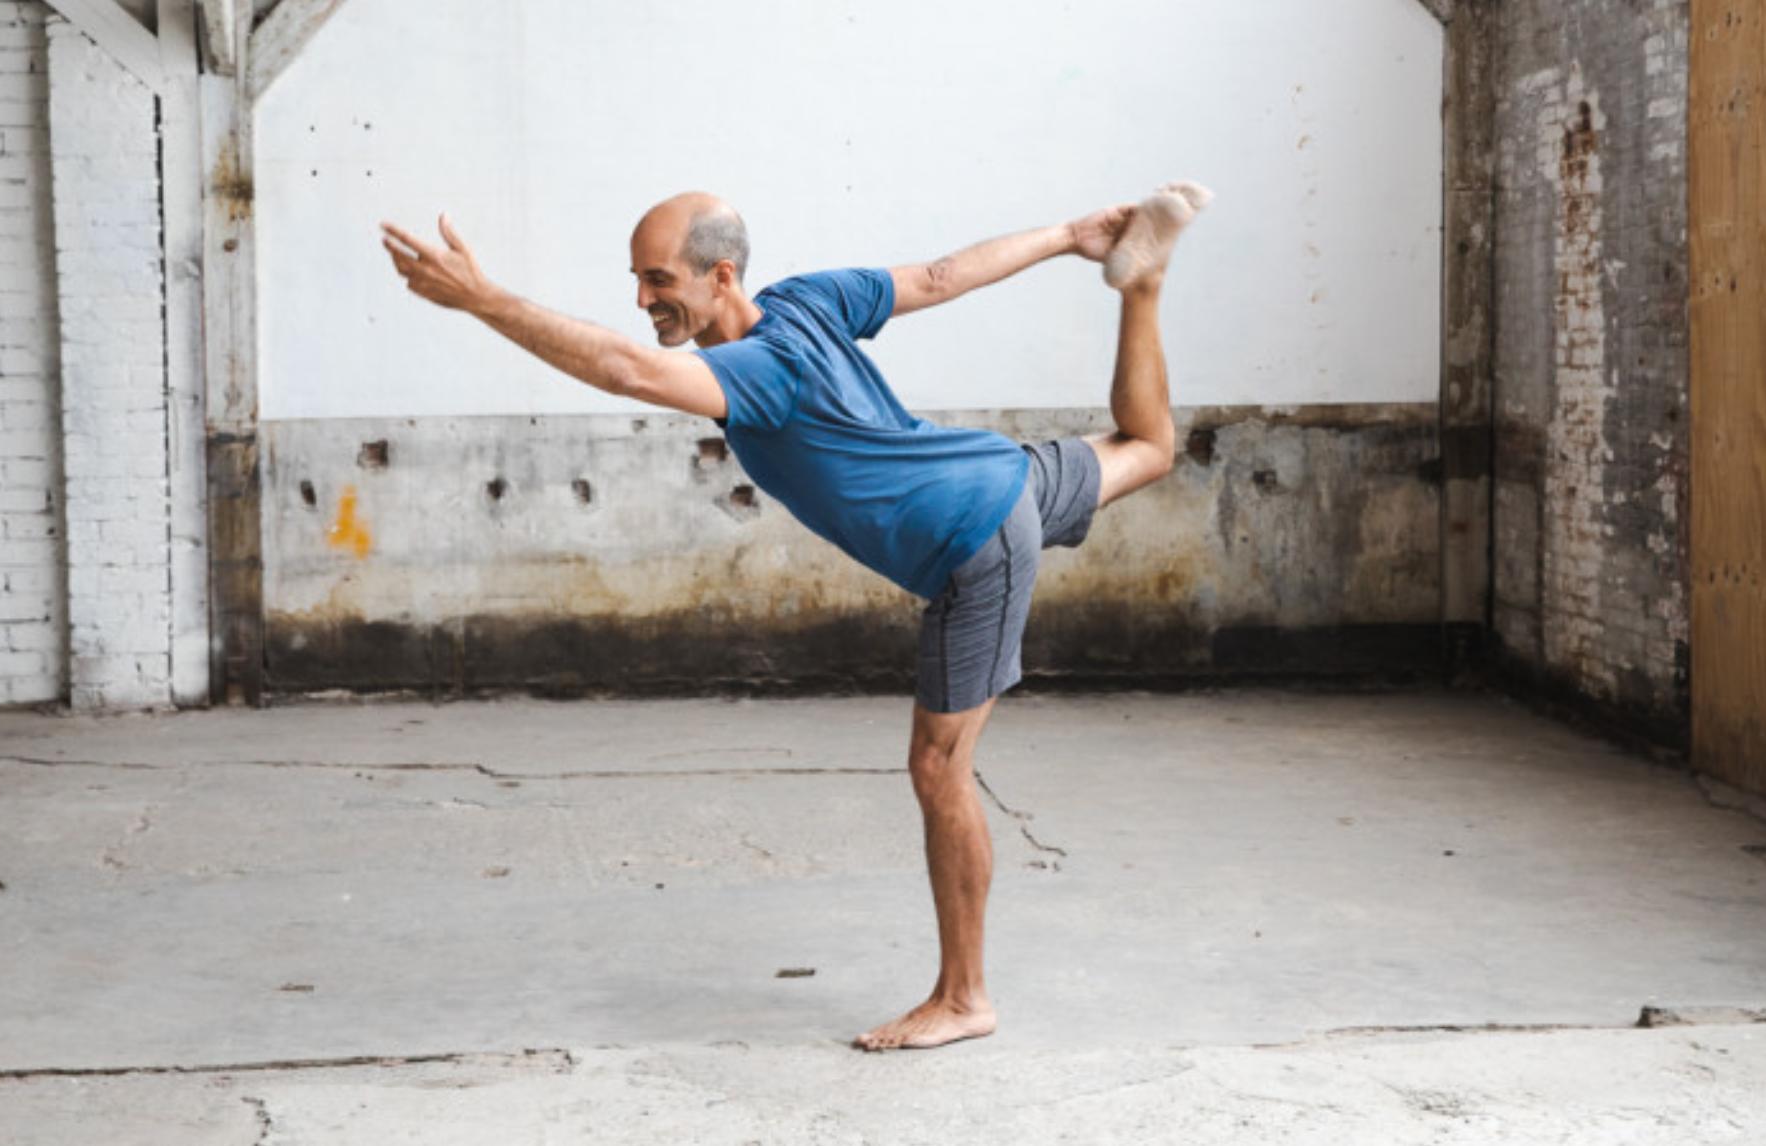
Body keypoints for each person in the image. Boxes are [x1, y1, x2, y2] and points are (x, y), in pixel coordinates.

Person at [381, 181, 1210, 1051]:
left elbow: (625, 368)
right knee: (1149, 447)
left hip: (977, 540)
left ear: (720, 276)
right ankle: (1143, 285)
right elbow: (940, 277)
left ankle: (965, 998)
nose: (643, 299)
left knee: (939, 767)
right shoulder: (807, 301)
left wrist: (483, 300)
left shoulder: (755, 372)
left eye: (659, 280)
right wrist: (1070, 234)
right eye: (638, 280)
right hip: (1001, 477)